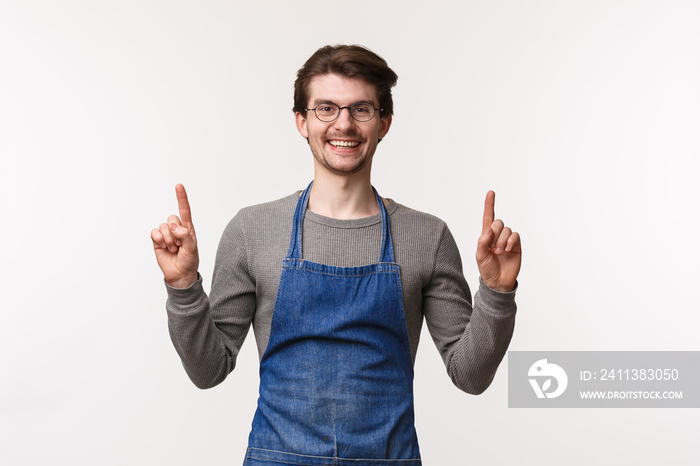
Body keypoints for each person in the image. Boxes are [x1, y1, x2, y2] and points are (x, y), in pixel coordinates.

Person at [151, 44, 521, 466]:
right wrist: (182, 286)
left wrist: (496, 291)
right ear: (301, 121)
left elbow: (470, 376)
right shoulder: (251, 231)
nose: (343, 124)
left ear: (384, 123)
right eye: (326, 108)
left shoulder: (427, 236)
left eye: (361, 109)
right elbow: (208, 371)